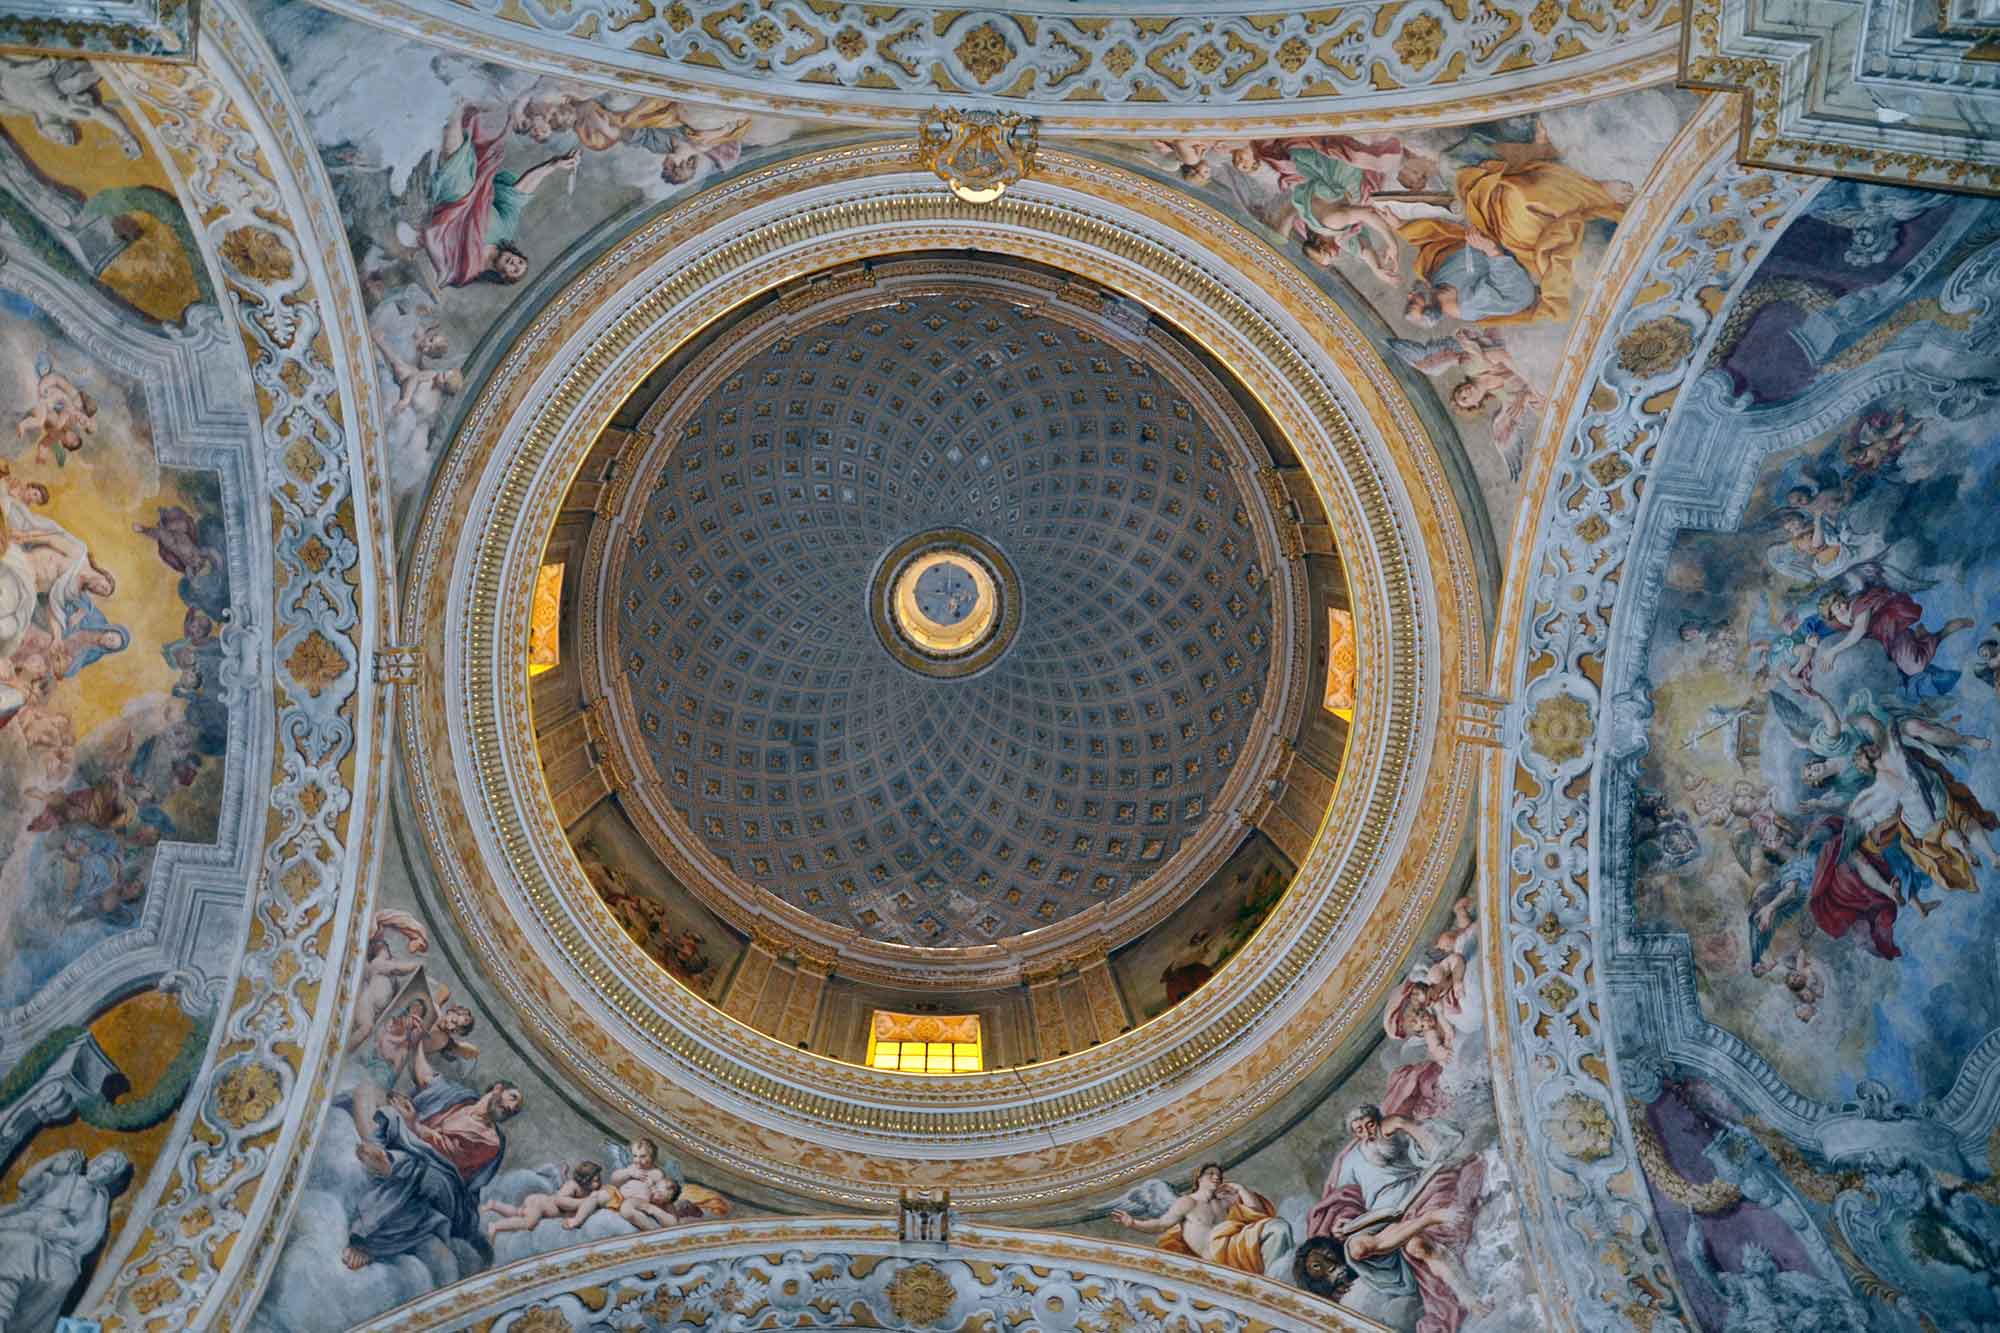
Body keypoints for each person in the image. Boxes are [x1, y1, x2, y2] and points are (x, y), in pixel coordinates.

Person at [1307, 1105, 1482, 1331]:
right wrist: (1341, 1221)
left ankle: (1470, 1299)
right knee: (1357, 1248)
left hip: (1417, 1197)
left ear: (1379, 1121)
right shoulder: (1350, 1160)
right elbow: (1343, 1199)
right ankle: (1428, 1219)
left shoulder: (1395, 1137)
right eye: (1359, 1130)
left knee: (1418, 1246)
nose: (1367, 1133)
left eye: (1370, 1125)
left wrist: (1402, 1123)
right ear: (1355, 1134)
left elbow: (1437, 1149)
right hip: (1378, 1218)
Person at [1399, 156, 1630, 326]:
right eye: (1413, 302)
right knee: (1517, 200)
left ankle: (1580, 182)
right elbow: (1519, 296)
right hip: (1521, 255)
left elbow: (1437, 245)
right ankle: (1597, 195)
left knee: (1496, 188)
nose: (1410, 295)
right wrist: (1492, 253)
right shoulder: (1468, 305)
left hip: (1490, 230)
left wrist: (1397, 227)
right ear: (1430, 309)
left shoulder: (1435, 281)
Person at [338, 1060, 523, 1270]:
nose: (511, 1108)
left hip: (450, 1187)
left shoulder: (491, 1141)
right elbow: (426, 1076)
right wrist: (419, 1034)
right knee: (370, 1092)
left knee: (422, 1169)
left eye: (514, 1110)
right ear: (498, 1088)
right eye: (513, 1098)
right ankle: (378, 1150)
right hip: (411, 1140)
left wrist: (413, 1124)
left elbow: (448, 1158)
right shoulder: (460, 1098)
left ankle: (369, 1237)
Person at [418, 103, 579, 288]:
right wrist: (551, 166)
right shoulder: (505, 232)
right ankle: (466, 106)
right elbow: (518, 194)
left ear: (502, 275)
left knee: (458, 179)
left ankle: (455, 108)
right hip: (477, 181)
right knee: (492, 140)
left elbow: (440, 257)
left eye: (515, 270)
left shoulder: (468, 270)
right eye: (520, 261)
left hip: (450, 201)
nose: (515, 263)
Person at [0, 1148, 132, 1330]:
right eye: (100, 1164)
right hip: (27, 1224)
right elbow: (26, 1182)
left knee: (65, 1275)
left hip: (60, 1245)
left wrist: (60, 1234)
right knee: (28, 1245)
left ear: (109, 1178)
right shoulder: (64, 1177)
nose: (99, 1170)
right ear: (94, 1162)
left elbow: (89, 1235)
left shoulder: (98, 1199)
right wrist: (54, 1159)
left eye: (106, 1170)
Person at [1110, 1163, 1291, 1275]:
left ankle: (1271, 1279)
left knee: (1278, 1228)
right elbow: (1160, 1224)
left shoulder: (1224, 1202)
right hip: (1214, 1256)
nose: (1216, 1177)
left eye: (1218, 1175)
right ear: (1199, 1178)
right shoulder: (1187, 1202)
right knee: (1276, 1229)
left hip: (1233, 1249)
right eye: (1210, 1173)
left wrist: (1240, 1188)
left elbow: (1258, 1214)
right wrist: (1132, 1223)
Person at [1815, 584, 1973, 699]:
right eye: (1835, 609)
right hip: (1881, 643)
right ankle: (1920, 639)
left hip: (1893, 634)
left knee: (1915, 667)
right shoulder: (1839, 619)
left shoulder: (1858, 604)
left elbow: (1858, 631)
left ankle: (1940, 634)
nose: (1841, 607)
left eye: (1840, 602)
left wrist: (1832, 651)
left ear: (1843, 598)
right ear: (1831, 613)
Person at [482, 1161, 601, 1238]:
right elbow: (560, 1201)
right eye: (596, 1180)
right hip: (540, 1205)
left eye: (599, 1179)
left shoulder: (585, 1190)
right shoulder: (573, 1186)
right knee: (528, 1224)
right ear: (586, 1180)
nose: (599, 1183)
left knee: (518, 1212)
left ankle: (494, 1205)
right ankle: (496, 1226)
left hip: (537, 1202)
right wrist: (581, 1202)